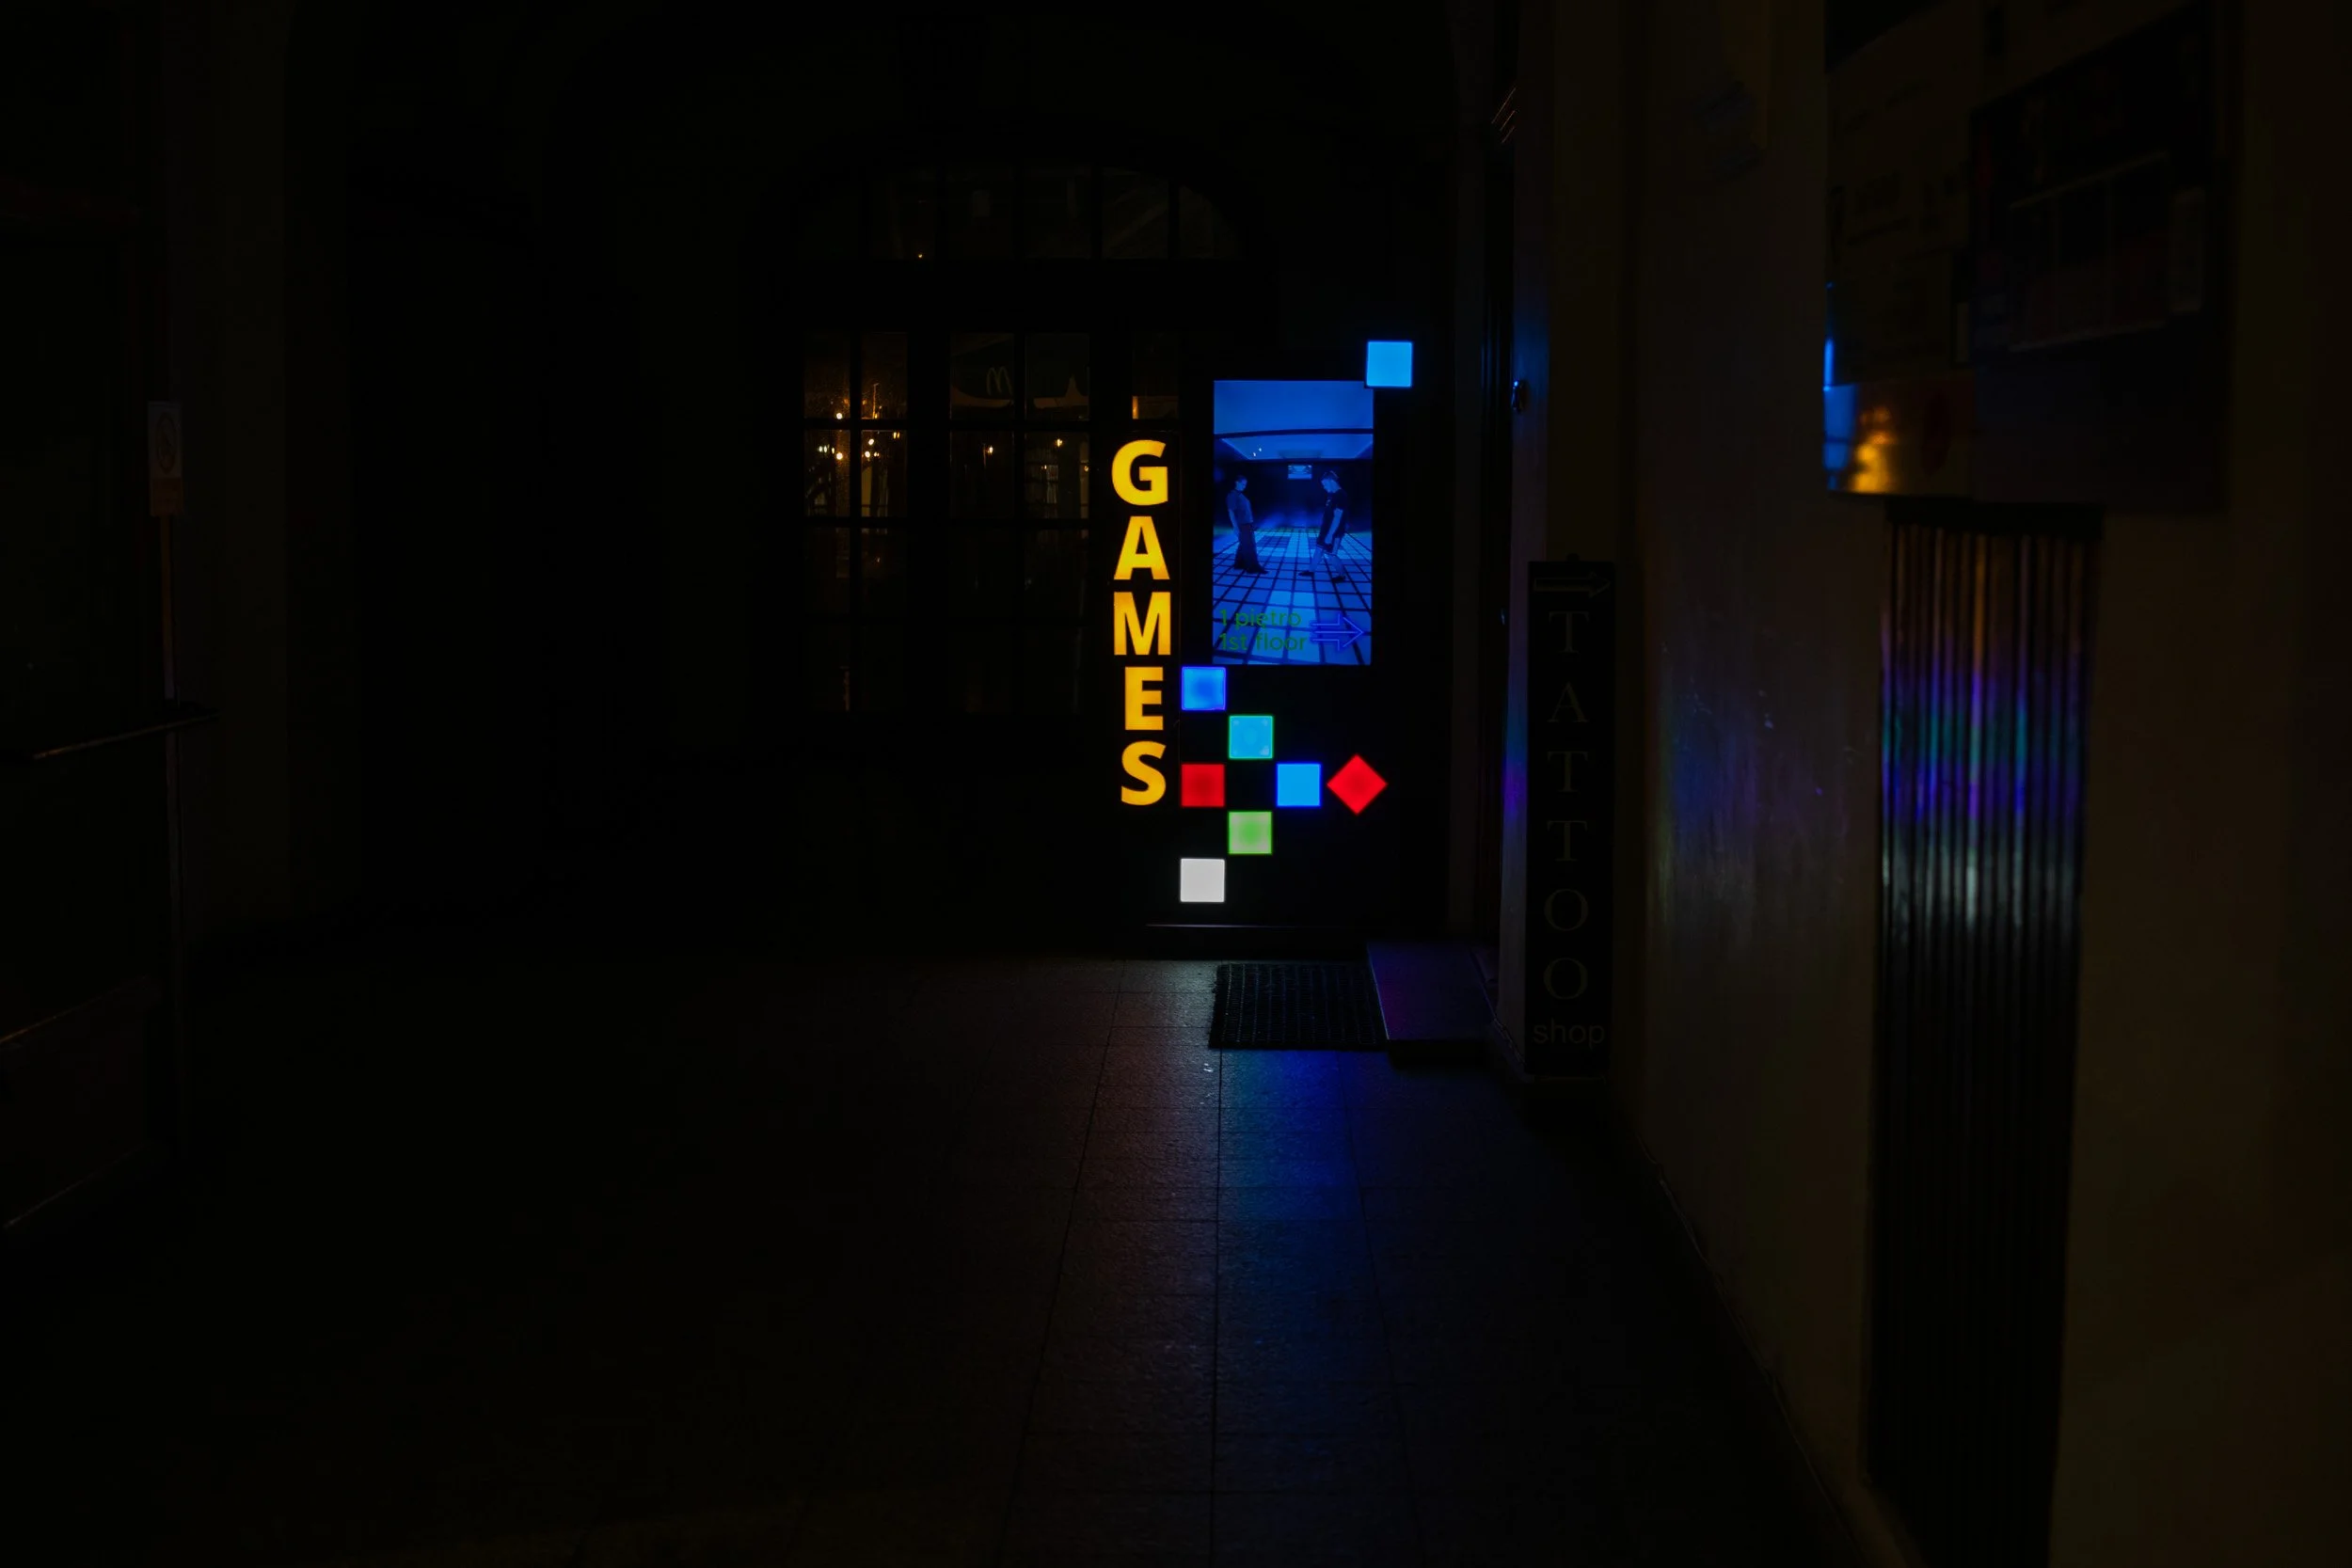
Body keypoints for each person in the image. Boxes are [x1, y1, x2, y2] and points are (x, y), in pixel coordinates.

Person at [1226, 473, 1263, 573]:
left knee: (1244, 544)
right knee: (1249, 545)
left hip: (1247, 524)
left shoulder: (1240, 494)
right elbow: (1231, 511)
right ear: (1236, 482)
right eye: (1243, 484)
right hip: (1242, 525)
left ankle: (1239, 564)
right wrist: (1235, 527)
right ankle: (1252, 567)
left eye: (1245, 485)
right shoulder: (1232, 495)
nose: (1244, 486)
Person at [1315, 468, 1350, 556]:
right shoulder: (1331, 494)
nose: (1324, 487)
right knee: (1319, 550)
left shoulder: (1341, 495)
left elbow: (1337, 517)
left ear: (1331, 481)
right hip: (1326, 529)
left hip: (1334, 532)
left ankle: (1341, 570)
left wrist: (1330, 535)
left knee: (1332, 556)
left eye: (1325, 484)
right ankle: (1311, 570)